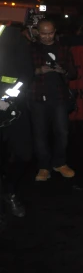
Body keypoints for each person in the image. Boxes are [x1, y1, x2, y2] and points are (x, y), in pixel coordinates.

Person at [30, 19, 77, 182]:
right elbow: (22, 71)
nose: (47, 37)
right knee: (40, 134)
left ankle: (60, 163)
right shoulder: (31, 48)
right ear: (37, 32)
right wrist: (37, 70)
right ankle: (44, 167)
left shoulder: (63, 48)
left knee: (62, 132)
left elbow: (73, 72)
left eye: (50, 33)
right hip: (37, 97)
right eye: (43, 33)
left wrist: (62, 70)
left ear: (55, 31)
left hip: (59, 97)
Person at [0, 23, 34, 219]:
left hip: (12, 110)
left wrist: (5, 99)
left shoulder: (11, 35)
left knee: (24, 154)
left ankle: (10, 191)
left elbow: (25, 75)